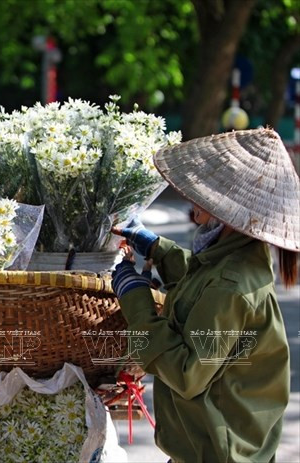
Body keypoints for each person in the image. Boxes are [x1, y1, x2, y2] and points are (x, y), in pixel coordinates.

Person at [111, 128, 299, 462]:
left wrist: (135, 301)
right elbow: (200, 287)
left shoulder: (231, 286)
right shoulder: (235, 262)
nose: (192, 199)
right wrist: (156, 246)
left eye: (204, 193)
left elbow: (187, 373)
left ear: (228, 209)